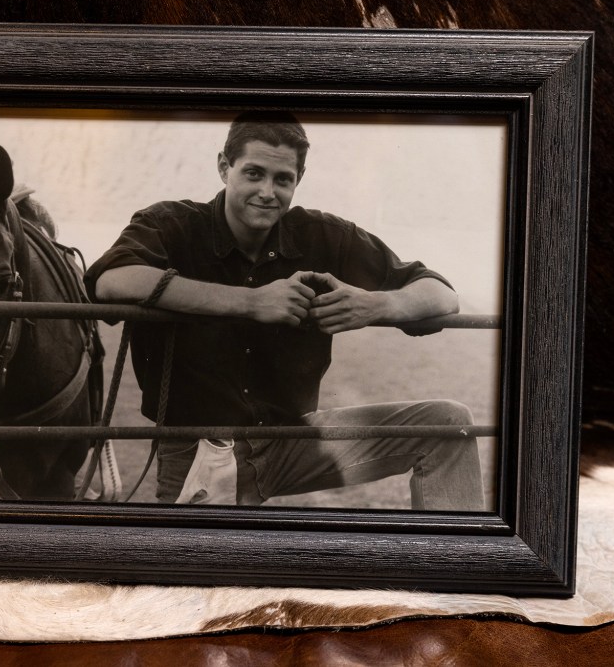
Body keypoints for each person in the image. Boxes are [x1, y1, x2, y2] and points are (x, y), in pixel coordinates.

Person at [83, 111, 484, 510]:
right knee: (194, 571)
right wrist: (252, 301)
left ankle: (454, 568)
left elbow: (442, 294)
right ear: (225, 167)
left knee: (449, 424)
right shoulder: (171, 224)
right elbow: (112, 279)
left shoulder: (325, 235)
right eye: (254, 174)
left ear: (298, 180)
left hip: (297, 441)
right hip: (201, 448)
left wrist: (375, 304)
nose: (267, 192)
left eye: (283, 179)